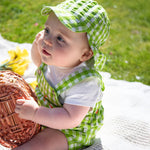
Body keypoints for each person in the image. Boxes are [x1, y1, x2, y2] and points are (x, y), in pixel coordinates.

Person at [14, 0, 110, 149]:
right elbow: (39, 63)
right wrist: (36, 45)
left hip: (68, 130)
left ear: (85, 54)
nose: (47, 40)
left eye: (60, 39)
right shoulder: (56, 56)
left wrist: (35, 113)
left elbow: (70, 118)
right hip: (43, 112)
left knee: (40, 144)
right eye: (47, 30)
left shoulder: (85, 83)